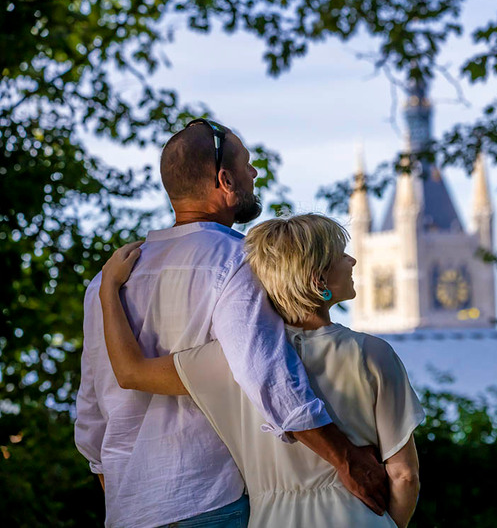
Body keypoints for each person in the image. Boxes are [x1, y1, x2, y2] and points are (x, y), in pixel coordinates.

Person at [74, 119, 388, 527]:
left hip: (128, 509)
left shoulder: (108, 279)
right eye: (248, 165)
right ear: (224, 179)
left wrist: (121, 488)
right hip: (210, 500)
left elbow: (92, 405)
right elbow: (265, 369)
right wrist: (346, 458)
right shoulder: (236, 261)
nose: (254, 174)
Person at [99, 215, 423, 528]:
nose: (352, 260)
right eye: (340, 255)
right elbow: (404, 476)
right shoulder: (371, 354)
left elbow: (131, 372)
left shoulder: (228, 362)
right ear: (318, 280)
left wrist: (108, 290)